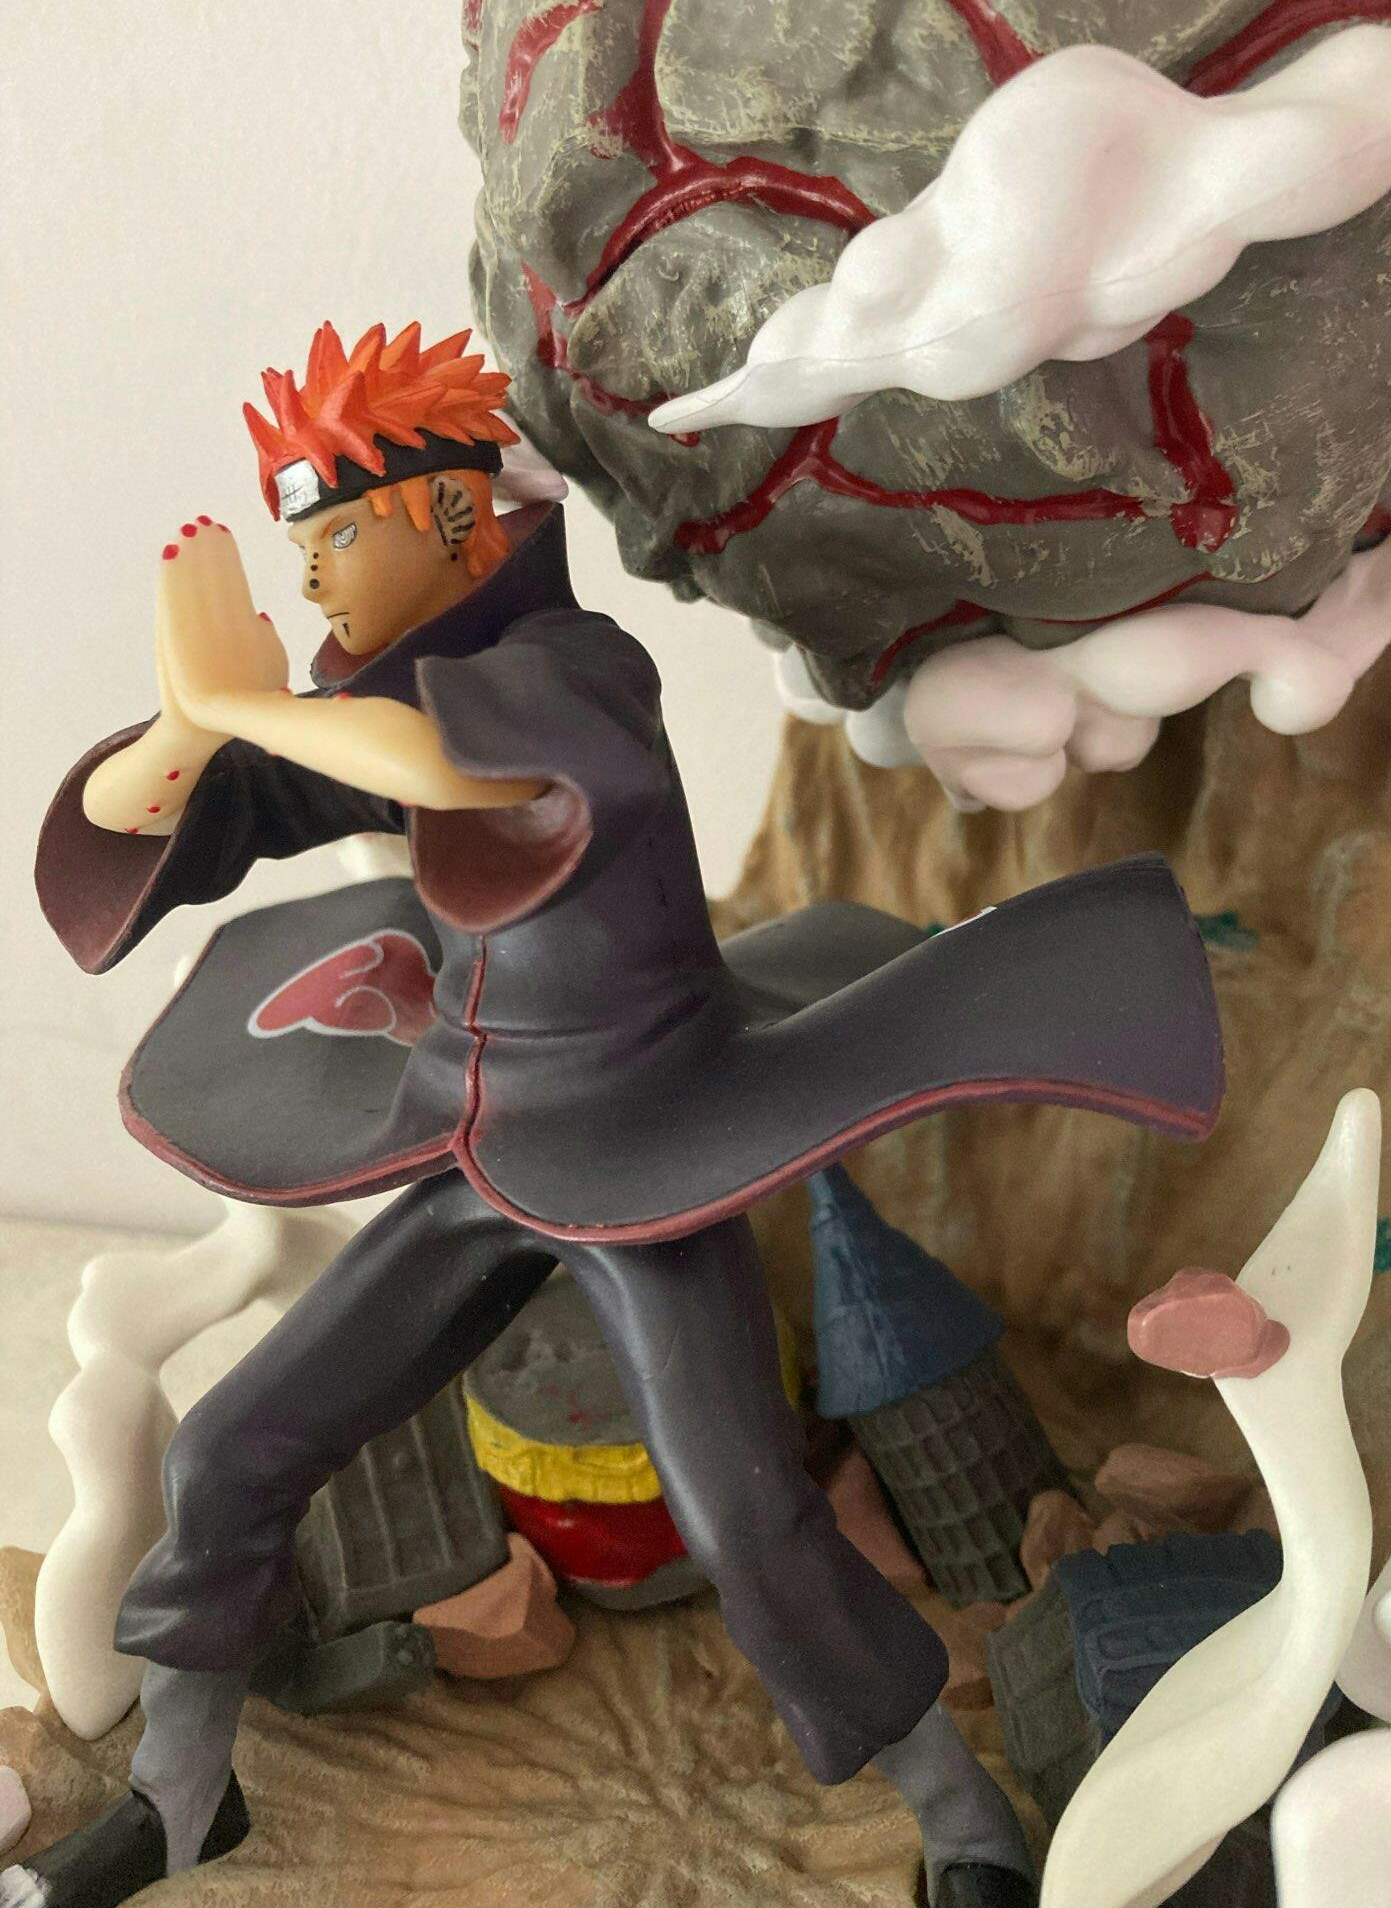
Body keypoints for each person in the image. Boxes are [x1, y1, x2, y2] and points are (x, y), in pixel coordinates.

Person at [14, 322, 1224, 1908]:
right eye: (298, 549)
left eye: (335, 540)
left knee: (746, 1515)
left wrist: (256, 707)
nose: (308, 581)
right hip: (472, 1143)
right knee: (236, 1447)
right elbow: (170, 820)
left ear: (451, 517)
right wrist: (193, 724)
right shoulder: (376, 700)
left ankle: (961, 1816)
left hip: (650, 1145)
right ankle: (181, 1798)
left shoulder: (572, 672)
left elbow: (449, 770)